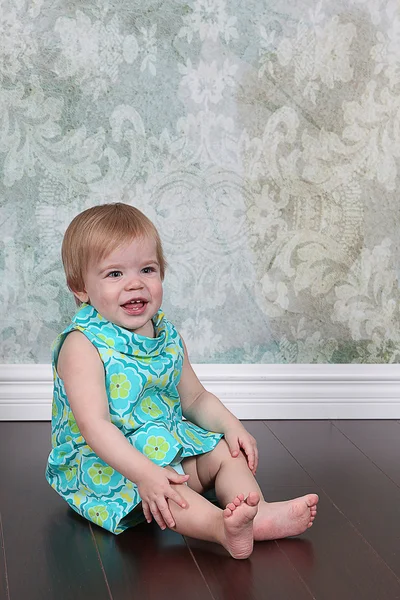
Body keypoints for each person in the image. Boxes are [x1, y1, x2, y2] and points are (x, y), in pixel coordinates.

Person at [46, 202, 318, 560]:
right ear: (80, 287)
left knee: (224, 452)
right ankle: (220, 528)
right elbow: (95, 427)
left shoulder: (167, 334)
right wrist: (145, 473)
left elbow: (195, 399)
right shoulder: (83, 345)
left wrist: (231, 426)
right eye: (114, 274)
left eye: (147, 269)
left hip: (163, 444)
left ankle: (259, 514)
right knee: (171, 487)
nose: (135, 283)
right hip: (109, 466)